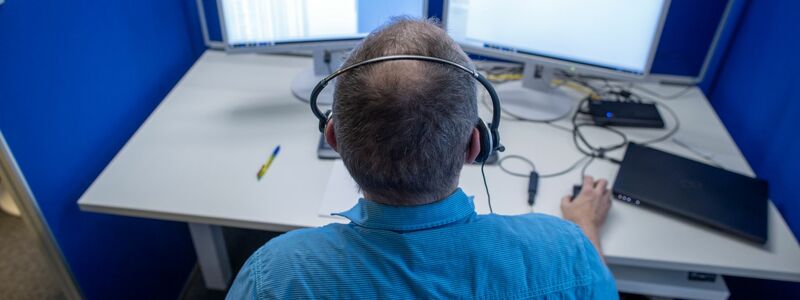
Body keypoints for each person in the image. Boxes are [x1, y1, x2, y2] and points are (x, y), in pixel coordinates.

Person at [227, 18, 615, 299]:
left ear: (333, 138)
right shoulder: (565, 252)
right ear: (476, 144)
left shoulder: (275, 278)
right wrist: (585, 225)